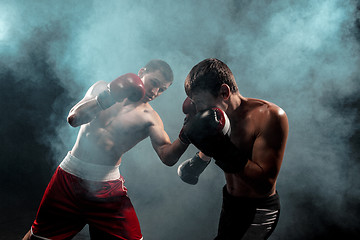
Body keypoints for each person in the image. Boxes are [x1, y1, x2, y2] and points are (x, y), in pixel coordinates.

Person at [23, 59, 188, 240]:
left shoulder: (150, 117)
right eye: (154, 83)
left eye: (162, 90)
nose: (155, 92)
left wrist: (187, 135)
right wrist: (107, 97)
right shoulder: (102, 88)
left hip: (107, 189)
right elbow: (74, 118)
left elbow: (167, 156)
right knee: (37, 237)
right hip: (69, 178)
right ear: (141, 72)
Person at [177, 58, 289, 239]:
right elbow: (218, 141)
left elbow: (264, 183)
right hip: (230, 202)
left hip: (258, 210)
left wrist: (220, 149)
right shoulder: (218, 117)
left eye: (199, 102)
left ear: (224, 92)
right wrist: (197, 163)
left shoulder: (269, 116)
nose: (197, 110)